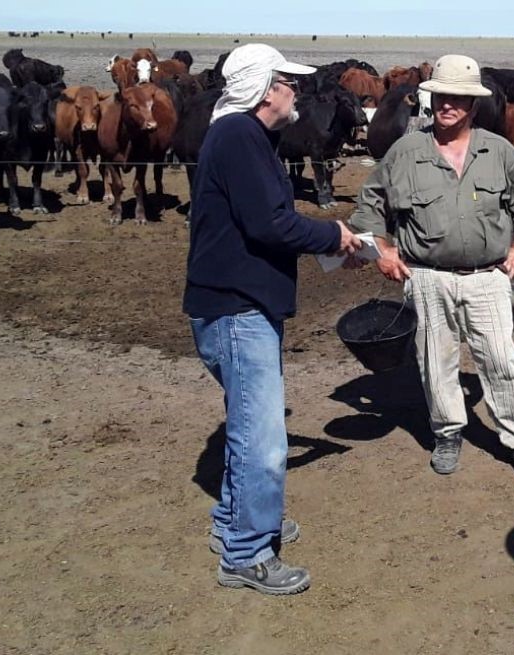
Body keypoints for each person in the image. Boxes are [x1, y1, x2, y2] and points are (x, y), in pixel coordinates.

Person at [183, 43, 361, 596]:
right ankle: (246, 554)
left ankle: (237, 523)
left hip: (236, 305)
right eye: (289, 82)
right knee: (263, 440)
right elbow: (271, 225)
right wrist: (335, 234)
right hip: (237, 310)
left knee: (246, 428)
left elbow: (266, 221)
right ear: (265, 90)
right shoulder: (239, 136)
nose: (296, 92)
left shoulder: (246, 137)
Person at [348, 54, 514, 480]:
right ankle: (448, 432)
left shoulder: (499, 152)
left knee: (501, 361)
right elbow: (369, 205)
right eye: (440, 96)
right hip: (426, 278)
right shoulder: (405, 151)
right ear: (430, 99)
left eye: (457, 98)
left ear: (473, 105)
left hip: (487, 278)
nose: (447, 105)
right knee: (435, 363)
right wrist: (382, 250)